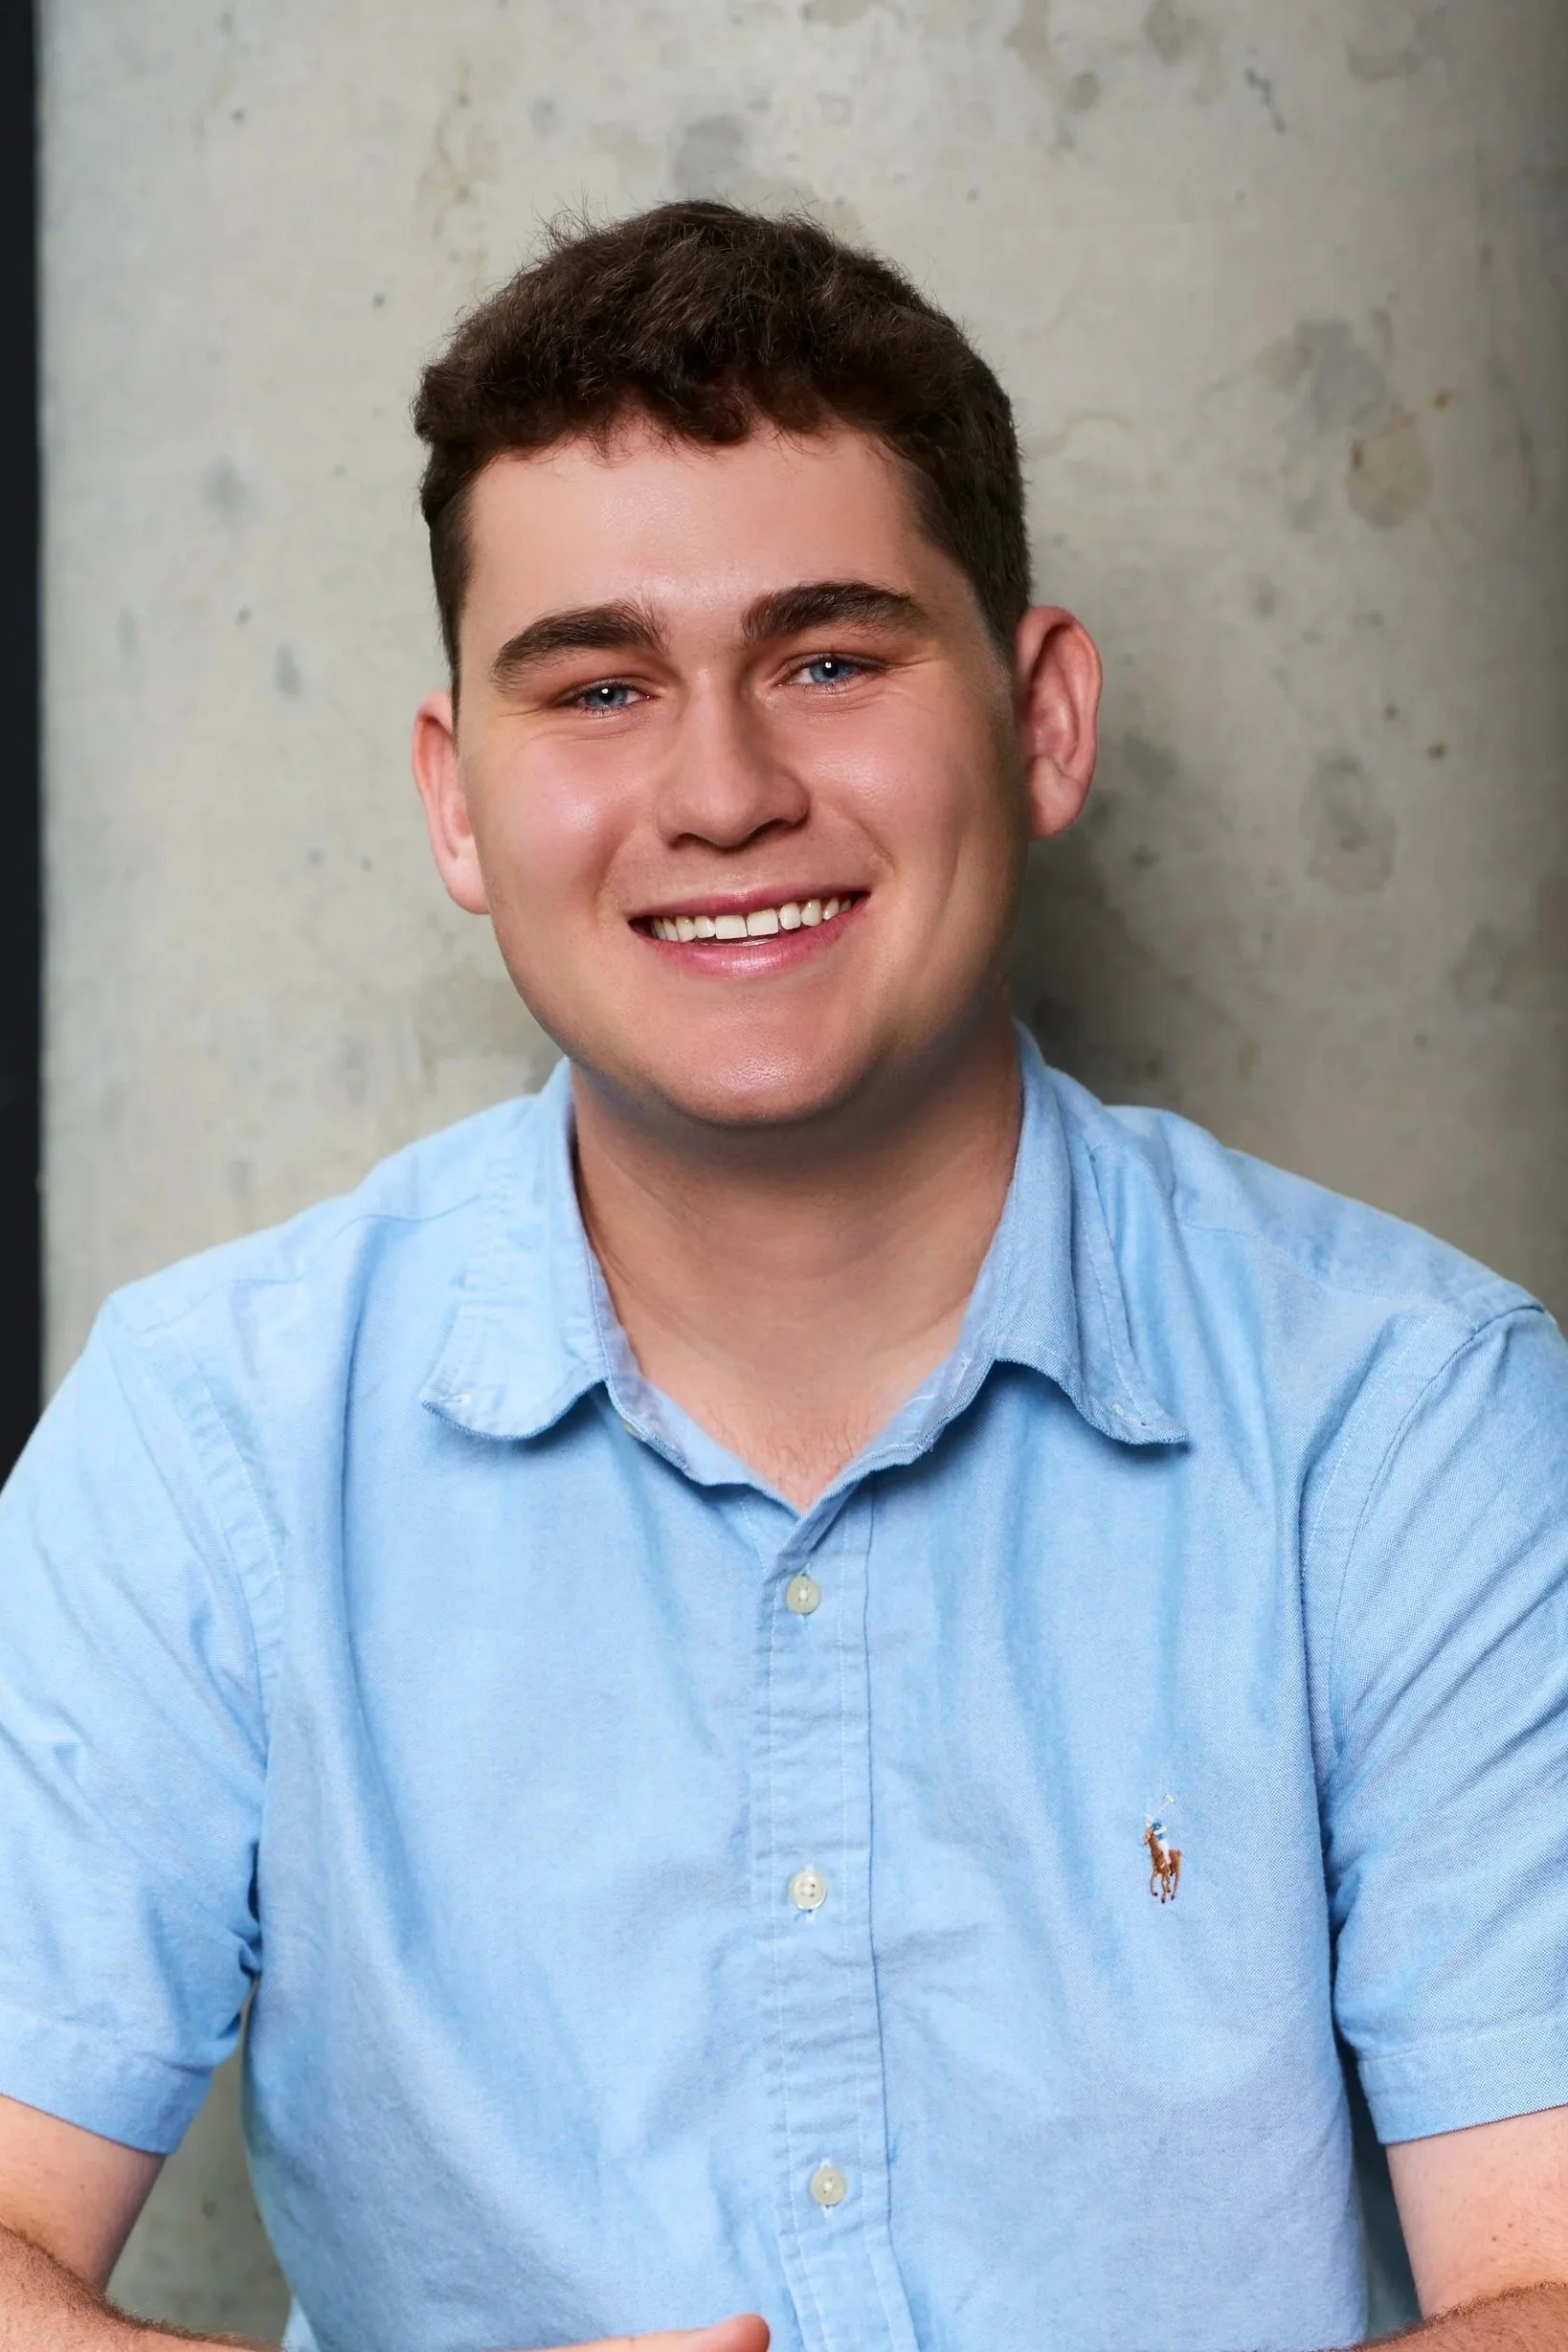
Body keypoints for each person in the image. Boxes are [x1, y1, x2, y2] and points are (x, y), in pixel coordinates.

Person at [1, 201, 1565, 2352]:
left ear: (1042, 721)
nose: (723, 788)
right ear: (458, 806)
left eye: (828, 657)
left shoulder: (1411, 1417)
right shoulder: (207, 1440)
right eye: (601, 685)